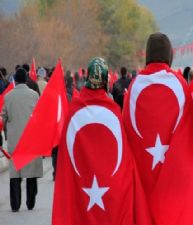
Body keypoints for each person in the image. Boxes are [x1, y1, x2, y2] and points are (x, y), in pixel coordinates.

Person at [52, 57, 152, 225]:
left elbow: (66, 156)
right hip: (110, 188)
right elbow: (125, 157)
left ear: (88, 78)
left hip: (81, 186)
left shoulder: (74, 110)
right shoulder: (113, 110)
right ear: (106, 80)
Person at [123, 32, 193, 225]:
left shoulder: (135, 85)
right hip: (176, 169)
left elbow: (126, 126)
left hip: (144, 166)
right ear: (169, 54)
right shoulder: (179, 84)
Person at [2, 68, 43, 212]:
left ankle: (15, 204)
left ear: (15, 80)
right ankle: (30, 202)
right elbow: (40, 116)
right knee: (31, 172)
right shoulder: (34, 95)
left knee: (15, 174)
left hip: (15, 140)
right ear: (26, 79)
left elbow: (3, 118)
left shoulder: (8, 97)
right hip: (31, 139)